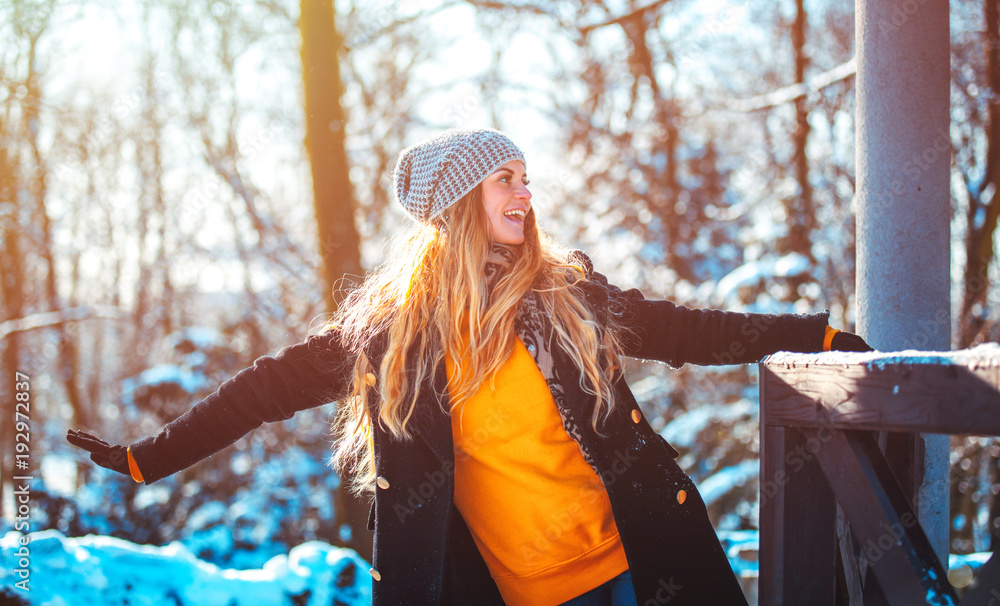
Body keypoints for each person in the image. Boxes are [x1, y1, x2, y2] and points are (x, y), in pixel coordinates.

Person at [68, 128, 872, 606]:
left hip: (640, 568)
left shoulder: (566, 295)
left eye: (526, 178)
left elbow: (685, 330)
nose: (526, 194)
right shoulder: (392, 336)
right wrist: (150, 457)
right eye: (505, 180)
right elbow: (263, 390)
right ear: (459, 204)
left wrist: (817, 335)